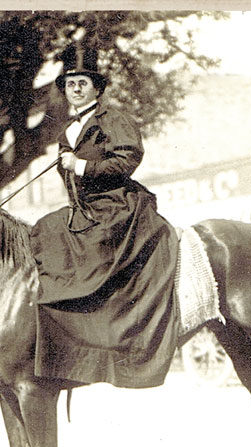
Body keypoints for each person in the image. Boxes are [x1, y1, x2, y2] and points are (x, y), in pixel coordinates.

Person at [28, 43, 179, 388]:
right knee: (44, 229)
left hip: (116, 204)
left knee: (95, 245)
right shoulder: (67, 129)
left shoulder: (113, 120)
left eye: (82, 83)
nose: (75, 89)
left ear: (97, 88)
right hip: (85, 208)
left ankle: (110, 332)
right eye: (69, 84)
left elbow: (128, 159)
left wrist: (82, 165)